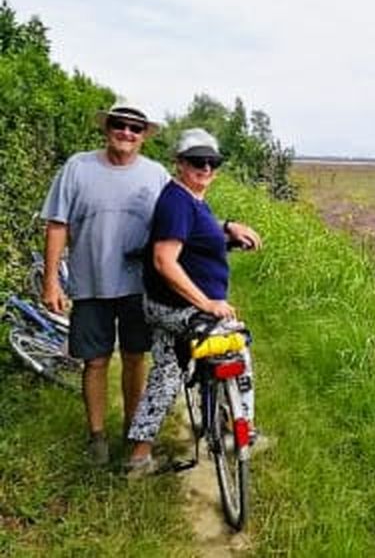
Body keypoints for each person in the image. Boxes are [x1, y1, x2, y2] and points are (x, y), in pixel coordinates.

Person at [126, 128, 261, 474]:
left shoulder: (188, 198)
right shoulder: (176, 200)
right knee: (237, 343)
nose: (206, 168)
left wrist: (228, 231)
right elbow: (164, 260)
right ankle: (240, 429)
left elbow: (194, 236)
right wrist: (207, 303)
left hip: (165, 304)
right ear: (179, 164)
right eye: (197, 161)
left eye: (212, 162)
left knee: (167, 374)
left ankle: (139, 456)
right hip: (178, 307)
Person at [41, 101, 169, 465]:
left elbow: (178, 220)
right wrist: (51, 281)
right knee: (94, 362)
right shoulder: (77, 167)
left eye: (135, 128)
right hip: (90, 283)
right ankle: (96, 436)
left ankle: (133, 429)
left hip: (139, 285)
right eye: (119, 124)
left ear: (144, 136)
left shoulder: (156, 174)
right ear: (107, 128)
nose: (126, 133)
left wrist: (225, 230)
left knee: (134, 357)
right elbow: (57, 225)